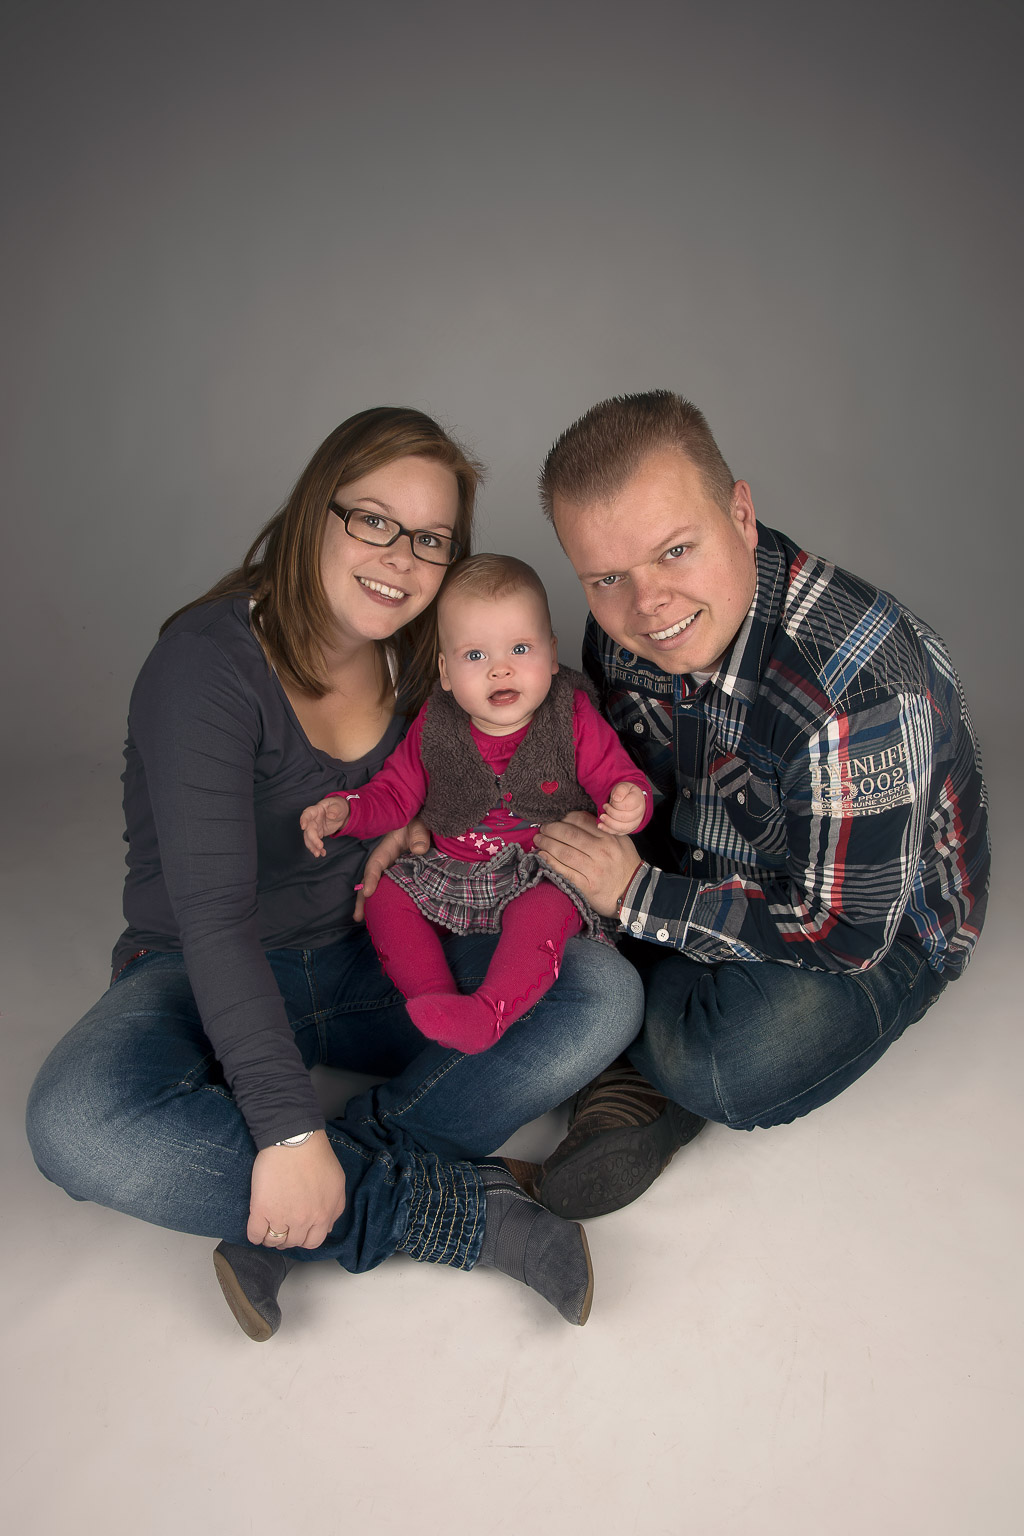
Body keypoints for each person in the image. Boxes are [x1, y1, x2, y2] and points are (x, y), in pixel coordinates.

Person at [25, 406, 646, 1339]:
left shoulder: (425, 657)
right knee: (78, 1124)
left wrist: (435, 831)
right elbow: (214, 917)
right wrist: (285, 1129)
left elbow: (478, 766)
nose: (400, 559)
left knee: (600, 993)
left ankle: (333, 1177)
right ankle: (455, 1213)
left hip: (368, 958)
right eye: (373, 520)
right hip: (200, 967)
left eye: (431, 539)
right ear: (316, 507)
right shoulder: (204, 667)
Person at [530, 390, 990, 1219]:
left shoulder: (856, 688)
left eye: (675, 551)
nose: (648, 604)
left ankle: (628, 1059)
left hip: (874, 928)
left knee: (728, 1062)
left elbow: (846, 930)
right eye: (607, 578)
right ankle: (630, 1019)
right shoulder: (630, 631)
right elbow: (625, 781)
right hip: (702, 863)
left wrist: (632, 897)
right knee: (512, 895)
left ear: (740, 515)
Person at [299, 553, 653, 1056]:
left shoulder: (570, 714)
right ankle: (438, 1001)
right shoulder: (436, 723)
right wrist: (347, 809)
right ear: (445, 671)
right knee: (384, 894)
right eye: (474, 655)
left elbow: (617, 775)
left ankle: (490, 1012)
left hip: (538, 870)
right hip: (452, 869)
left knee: (547, 906)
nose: (499, 668)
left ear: (553, 655)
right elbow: (394, 794)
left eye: (520, 648)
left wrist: (629, 801)